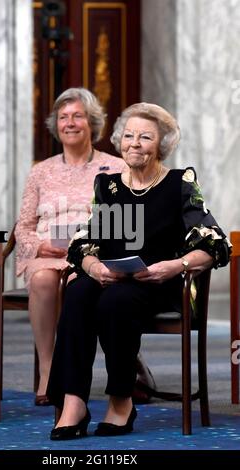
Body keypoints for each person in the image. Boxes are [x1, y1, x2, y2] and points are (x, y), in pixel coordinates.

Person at [46, 102, 231, 440]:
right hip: (112, 277)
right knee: (78, 291)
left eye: (145, 137)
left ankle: (121, 399)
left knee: (115, 300)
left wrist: (175, 265)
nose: (134, 143)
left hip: (162, 283)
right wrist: (94, 266)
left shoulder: (179, 184)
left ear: (161, 144)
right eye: (129, 136)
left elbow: (215, 243)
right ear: (119, 141)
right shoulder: (108, 186)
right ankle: (74, 401)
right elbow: (83, 242)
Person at [15, 87, 127, 405]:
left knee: (81, 284)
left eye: (78, 116)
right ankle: (50, 371)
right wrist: (38, 245)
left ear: (91, 122)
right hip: (48, 254)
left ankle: (101, 369)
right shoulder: (40, 172)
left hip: (94, 254)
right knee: (43, 279)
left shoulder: (116, 167)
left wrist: (94, 247)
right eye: (64, 117)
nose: (70, 123)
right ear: (56, 125)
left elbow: (123, 219)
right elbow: (22, 226)